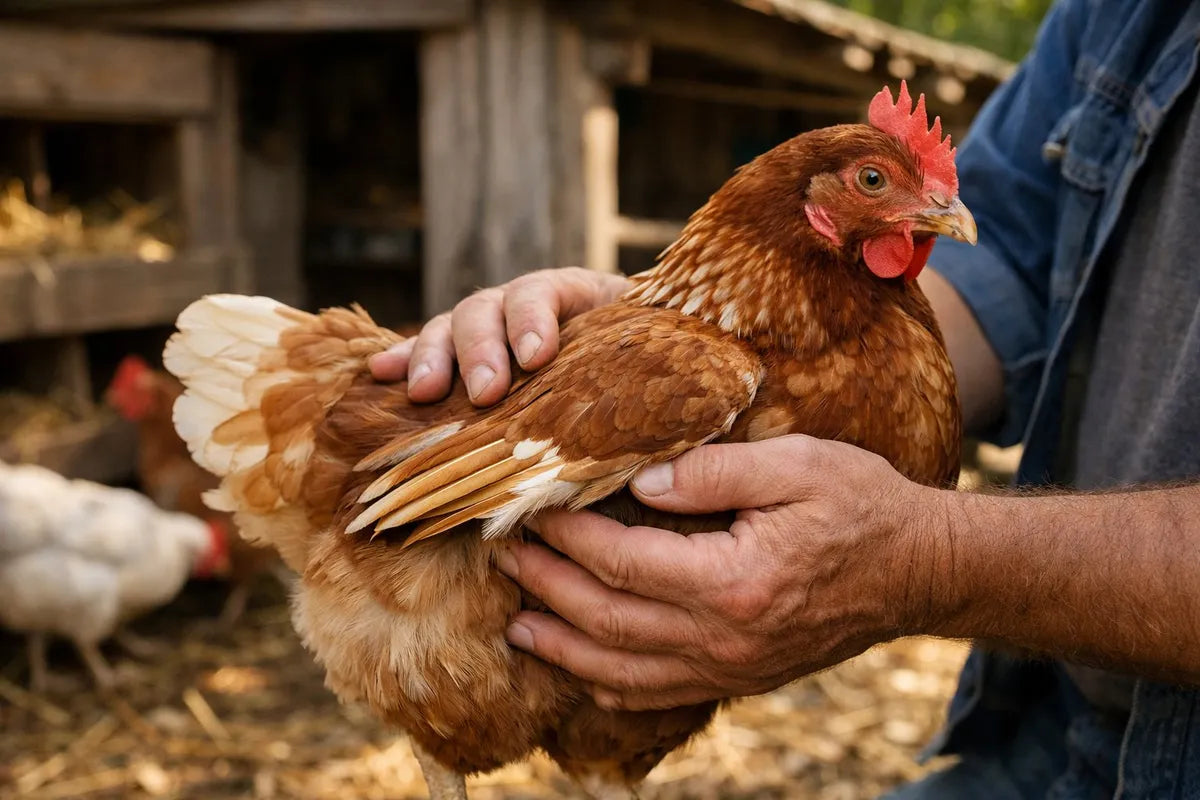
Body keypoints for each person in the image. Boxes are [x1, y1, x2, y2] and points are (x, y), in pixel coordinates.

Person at [369, 0, 1200, 794]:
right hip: (1049, 749)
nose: (942, 209)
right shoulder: (1127, 14)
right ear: (809, 211)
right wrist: (636, 365)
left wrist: (931, 560)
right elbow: (1010, 260)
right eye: (874, 181)